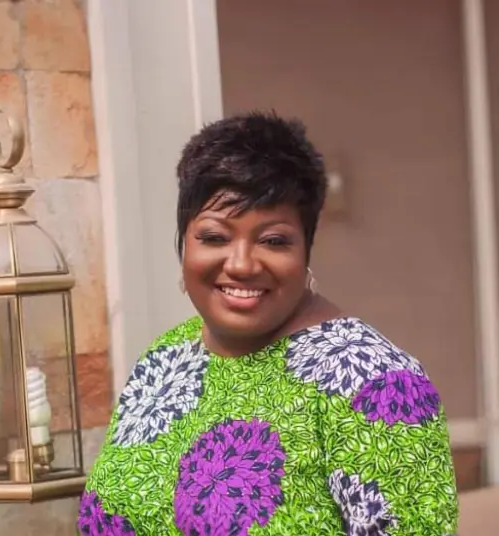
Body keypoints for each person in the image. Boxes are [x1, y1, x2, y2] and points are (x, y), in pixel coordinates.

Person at [78, 111, 459, 536]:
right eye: (215, 237)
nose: (241, 264)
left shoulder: (377, 383)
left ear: (306, 250)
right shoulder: (164, 360)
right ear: (183, 242)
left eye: (273, 241)